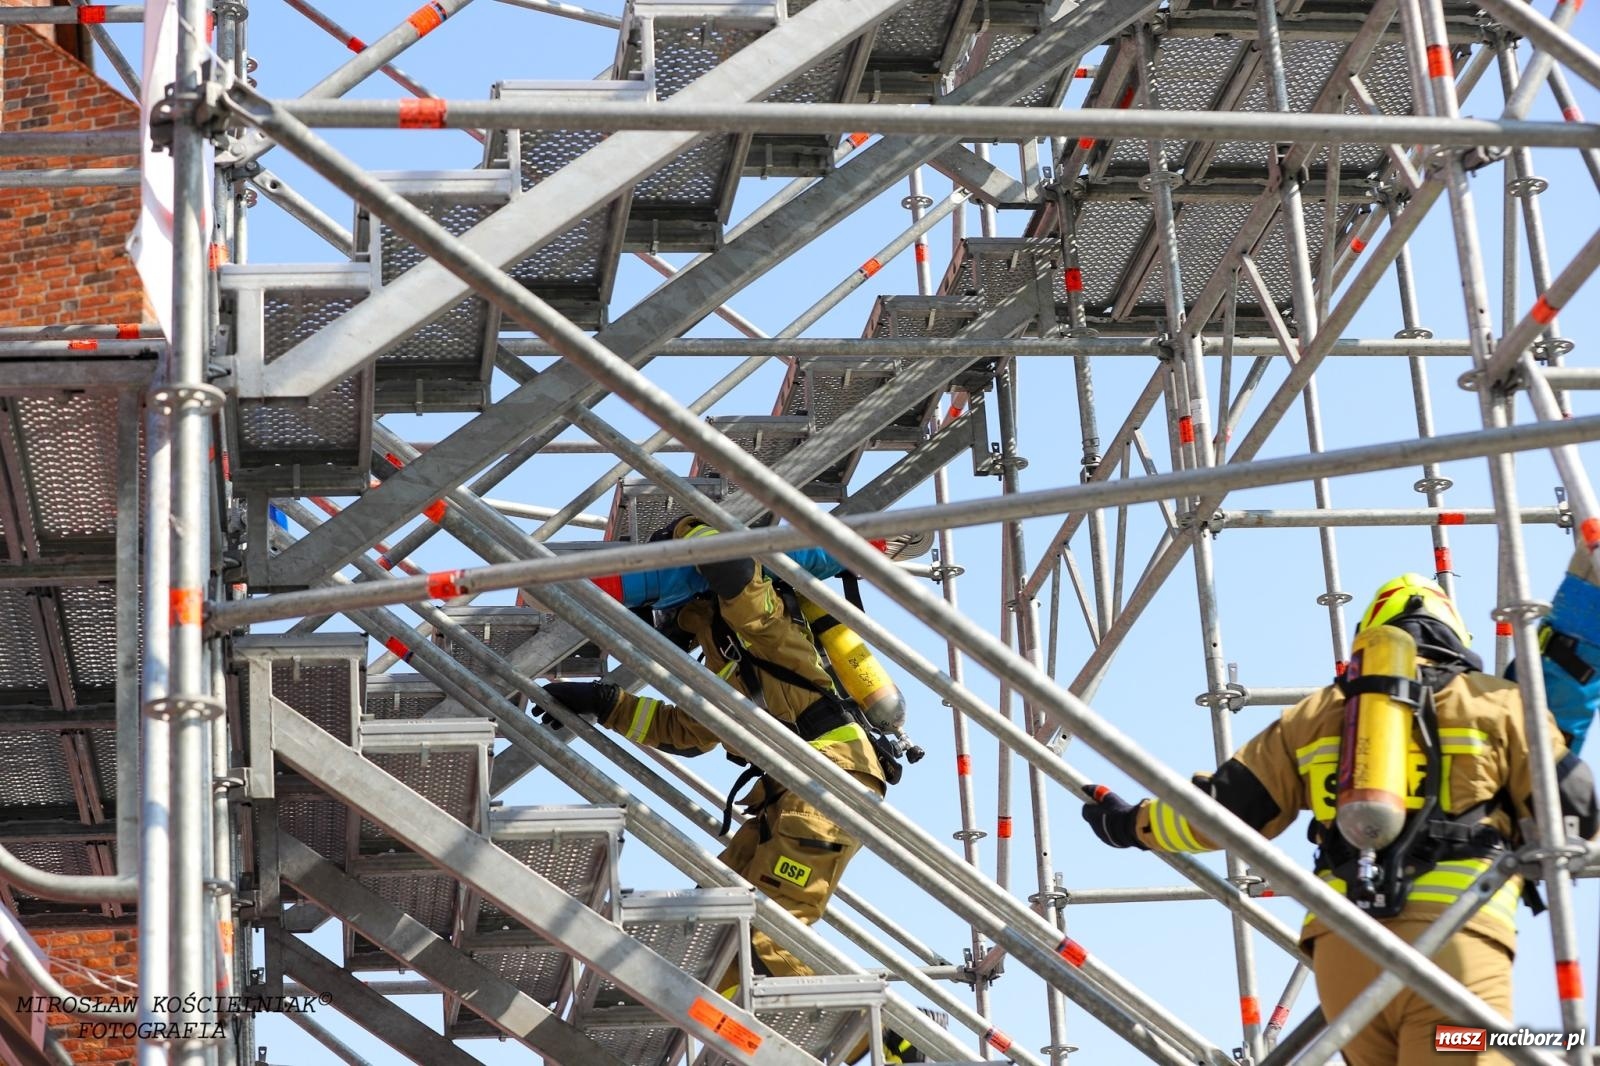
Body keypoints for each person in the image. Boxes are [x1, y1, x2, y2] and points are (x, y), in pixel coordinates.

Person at [1080, 564, 1600, 1066]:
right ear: (1456, 637)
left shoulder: (1315, 713)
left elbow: (1220, 813)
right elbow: (1574, 809)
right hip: (1458, 941)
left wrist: (1130, 824)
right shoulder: (1501, 703)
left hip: (1344, 954)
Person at [532, 516, 925, 1063]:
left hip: (828, 785)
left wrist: (688, 527)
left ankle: (888, 1044)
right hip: (794, 794)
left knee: (760, 939)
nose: (668, 625)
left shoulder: (761, 625)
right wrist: (604, 702)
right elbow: (689, 731)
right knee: (717, 927)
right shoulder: (729, 661)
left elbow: (737, 572)